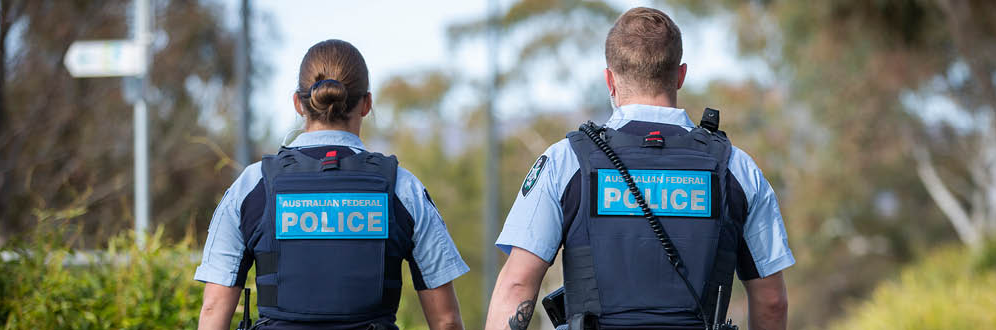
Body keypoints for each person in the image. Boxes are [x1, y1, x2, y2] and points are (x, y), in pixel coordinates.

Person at [484, 7, 792, 330]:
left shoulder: (566, 162)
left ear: (609, 80)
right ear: (680, 75)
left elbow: (516, 286)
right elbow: (772, 301)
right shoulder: (737, 169)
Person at [195, 39, 469, 330]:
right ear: (366, 104)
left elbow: (214, 310)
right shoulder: (403, 188)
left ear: (298, 103)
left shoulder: (253, 185)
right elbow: (445, 320)